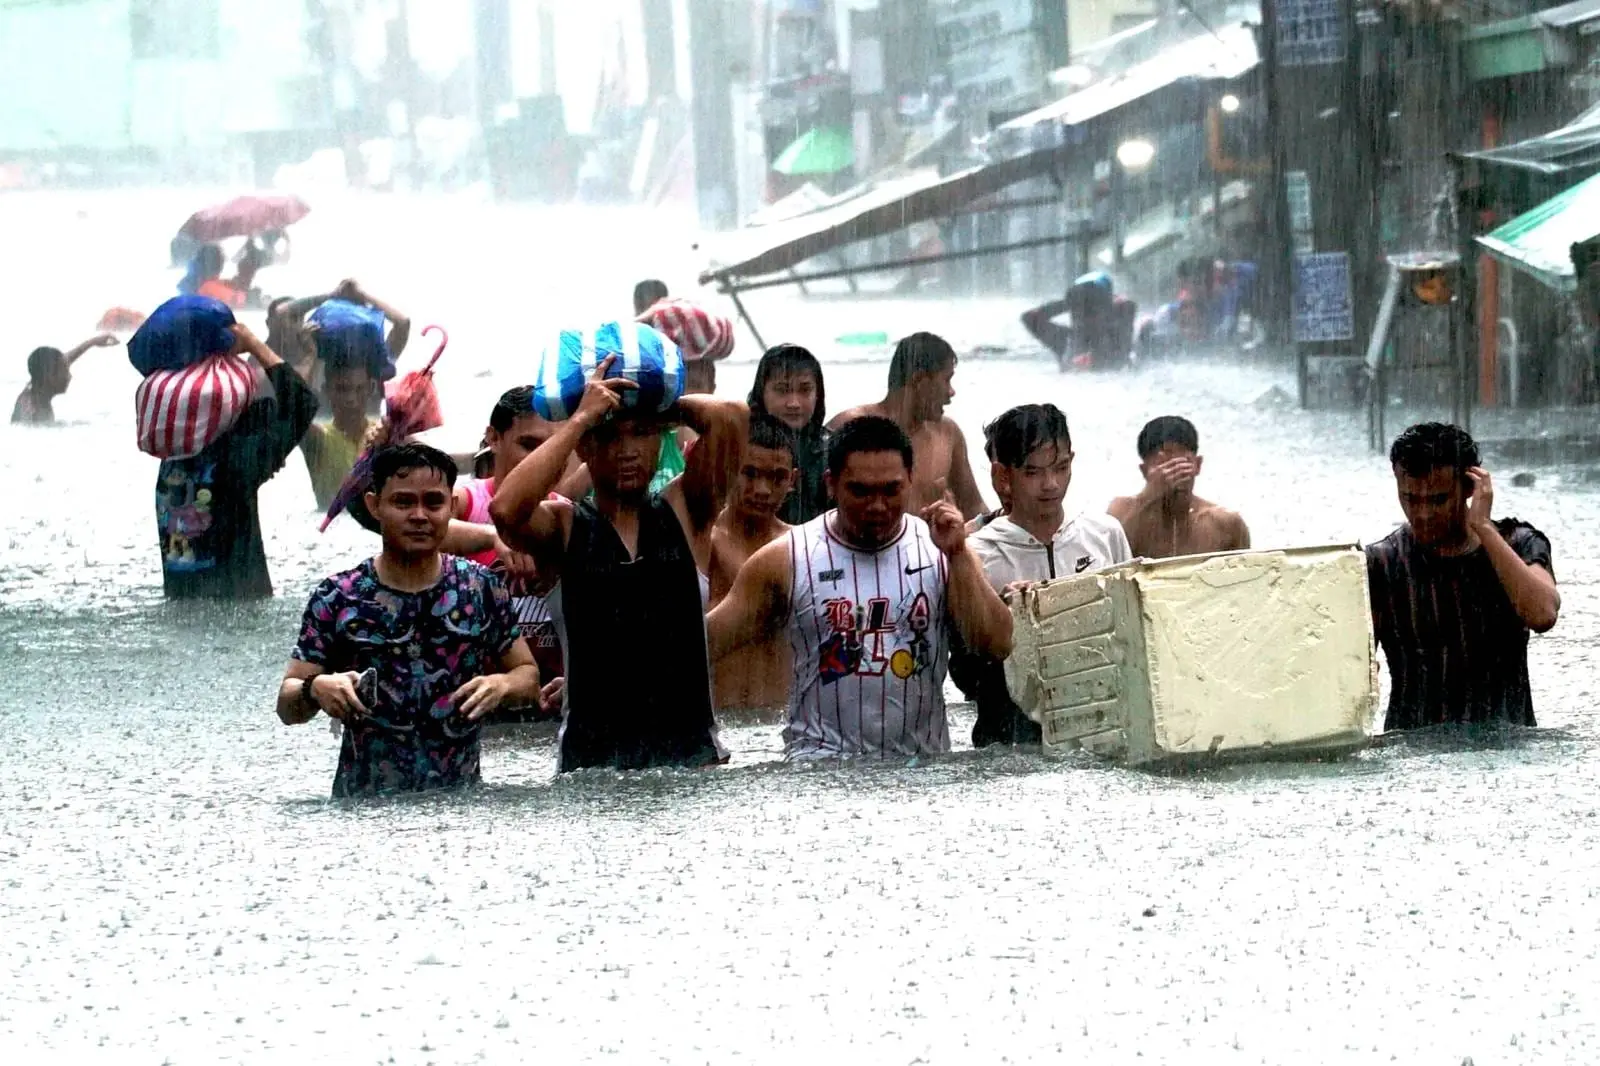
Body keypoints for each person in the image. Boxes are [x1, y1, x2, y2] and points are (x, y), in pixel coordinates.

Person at [489, 357, 747, 772]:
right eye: (610, 436)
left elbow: (731, 416)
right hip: (591, 771)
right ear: (586, 448)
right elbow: (504, 510)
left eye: (641, 435)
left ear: (661, 440)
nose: (628, 451)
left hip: (692, 762)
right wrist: (581, 417)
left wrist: (652, 395)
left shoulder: (687, 511)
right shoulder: (564, 527)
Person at [706, 415, 1013, 759]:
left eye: (890, 489)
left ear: (910, 481)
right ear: (831, 484)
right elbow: (702, 649)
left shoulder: (942, 549)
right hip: (818, 769)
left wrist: (958, 554)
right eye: (861, 491)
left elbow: (997, 645)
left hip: (922, 769)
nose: (877, 506)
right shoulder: (785, 559)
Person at [275, 443, 539, 797]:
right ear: (374, 506)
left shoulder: (480, 588)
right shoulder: (338, 597)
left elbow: (528, 676)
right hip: (363, 810)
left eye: (433, 502)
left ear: (450, 508)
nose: (419, 515)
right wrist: (315, 688)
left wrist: (501, 686)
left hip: (462, 808)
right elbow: (287, 705)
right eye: (402, 502)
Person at [1367, 422, 1560, 731]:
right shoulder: (1382, 563)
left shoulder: (1519, 544)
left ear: (1470, 487)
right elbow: (1353, 672)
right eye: (1411, 499)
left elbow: (1542, 614)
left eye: (1438, 500)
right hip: (1415, 753)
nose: (1422, 514)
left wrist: (1483, 527)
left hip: (1508, 747)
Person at [961, 404, 1132, 746]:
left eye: (1061, 468)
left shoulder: (1103, 534)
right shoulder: (977, 554)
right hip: (1008, 738)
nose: (1051, 484)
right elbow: (965, 672)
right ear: (1003, 477)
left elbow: (1130, 635)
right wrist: (1004, 611)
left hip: (1102, 727)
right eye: (1032, 473)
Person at [155, 322, 318, 598]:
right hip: (239, 611)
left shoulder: (170, 463)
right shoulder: (239, 459)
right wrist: (254, 343)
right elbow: (302, 403)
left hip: (182, 612)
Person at [453, 386, 582, 716]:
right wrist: (490, 537)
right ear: (493, 438)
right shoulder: (466, 503)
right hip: (475, 705)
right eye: (529, 445)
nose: (542, 459)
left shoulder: (568, 517)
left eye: (552, 446)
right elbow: (415, 531)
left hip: (550, 707)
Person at [827, 332, 986, 520]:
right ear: (919, 381)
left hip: (930, 548)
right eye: (946, 380)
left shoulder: (948, 433)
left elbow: (973, 507)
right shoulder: (851, 426)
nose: (951, 392)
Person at [708, 413, 797, 719]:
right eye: (750, 473)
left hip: (782, 725)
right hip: (719, 722)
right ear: (729, 468)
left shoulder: (802, 548)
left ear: (792, 481)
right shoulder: (701, 544)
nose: (762, 489)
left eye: (776, 477)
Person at [1108, 415, 1249, 558]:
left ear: (1198, 465)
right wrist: (1150, 494)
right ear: (1144, 471)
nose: (1172, 476)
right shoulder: (1120, 512)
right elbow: (1109, 557)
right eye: (1164, 467)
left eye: (1181, 466)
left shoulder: (1226, 524)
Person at [748, 342, 830, 524]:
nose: (794, 403)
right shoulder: (739, 446)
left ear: (818, 394)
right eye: (782, 390)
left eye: (805, 390)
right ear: (762, 392)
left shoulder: (832, 451)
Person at [11, 333, 118, 424]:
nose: (69, 376)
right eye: (65, 371)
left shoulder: (36, 384)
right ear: (49, 376)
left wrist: (92, 342)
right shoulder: (30, 411)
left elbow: (65, 359)